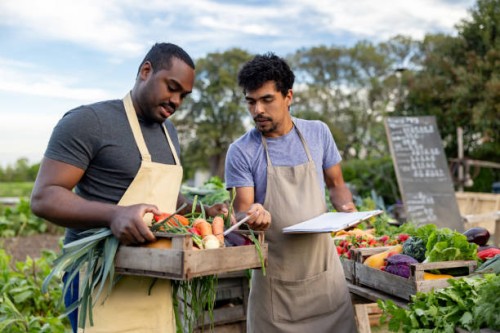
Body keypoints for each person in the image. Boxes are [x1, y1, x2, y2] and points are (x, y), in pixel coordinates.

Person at [31, 43, 230, 333]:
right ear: (145, 71)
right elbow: (44, 197)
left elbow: (163, 198)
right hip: (99, 281)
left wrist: (204, 211)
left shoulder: (169, 132)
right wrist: (114, 215)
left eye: (183, 96)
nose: (176, 101)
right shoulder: (89, 122)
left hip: (156, 282)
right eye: (171, 87)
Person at [224, 53, 358, 332]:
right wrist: (251, 216)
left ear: (288, 96)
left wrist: (346, 209)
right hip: (276, 291)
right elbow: (240, 209)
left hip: (325, 281)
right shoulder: (241, 151)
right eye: (251, 101)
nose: (257, 110)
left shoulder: (318, 133)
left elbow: (337, 185)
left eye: (266, 99)